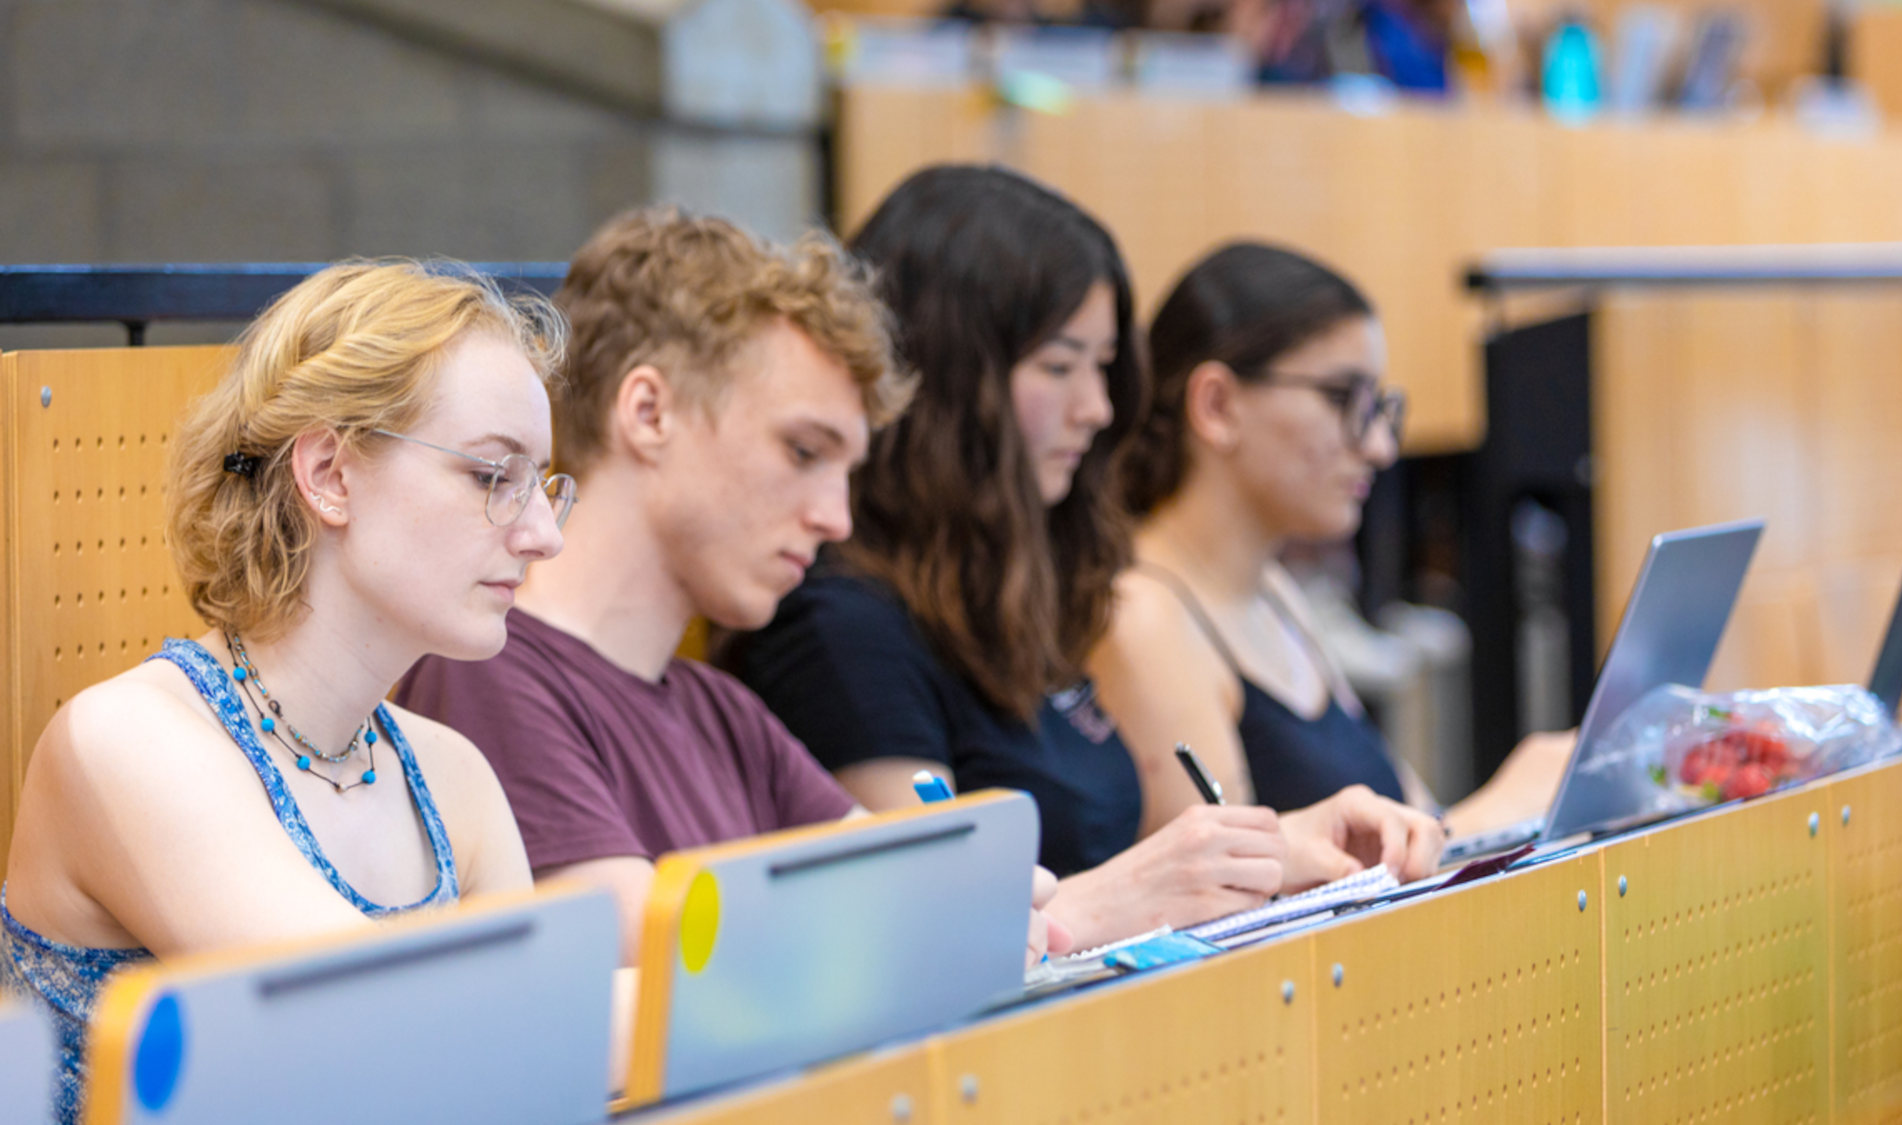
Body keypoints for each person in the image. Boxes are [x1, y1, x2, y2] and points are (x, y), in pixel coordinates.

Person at [727, 166, 1443, 952]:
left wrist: (1283, 849)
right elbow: (924, 942)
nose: (1097, 408)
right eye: (1060, 366)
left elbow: (1110, 866)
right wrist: (1138, 889)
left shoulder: (1011, 600)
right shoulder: (843, 628)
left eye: (1102, 367)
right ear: (948, 383)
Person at [393, 210, 1085, 967]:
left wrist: (967, 903)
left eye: (844, 471)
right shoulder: (487, 669)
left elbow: (924, 885)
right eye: (803, 450)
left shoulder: (725, 712)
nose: (836, 517)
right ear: (649, 413)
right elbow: (642, 946)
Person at [0, 261, 576, 1122]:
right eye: (494, 477)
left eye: (544, 484)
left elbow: (530, 1078)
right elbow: (374, 1035)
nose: (542, 535)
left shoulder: (454, 776)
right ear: (330, 475)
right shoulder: (128, 742)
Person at [1095, 240, 1571, 841]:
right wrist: (1503, 806)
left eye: (1379, 408)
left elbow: (1416, 822)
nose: (1378, 447)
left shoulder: (1270, 588)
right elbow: (1232, 909)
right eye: (1344, 400)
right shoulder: (1146, 620)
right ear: (1216, 405)